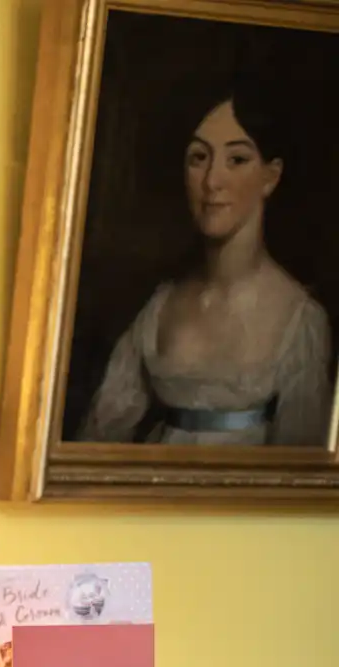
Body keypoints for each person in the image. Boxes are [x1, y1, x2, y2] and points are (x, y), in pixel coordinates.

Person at [78, 90, 334, 446]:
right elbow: (98, 437)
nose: (212, 181)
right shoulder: (160, 307)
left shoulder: (299, 318)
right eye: (199, 157)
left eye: (237, 159)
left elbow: (299, 475)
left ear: (270, 177)